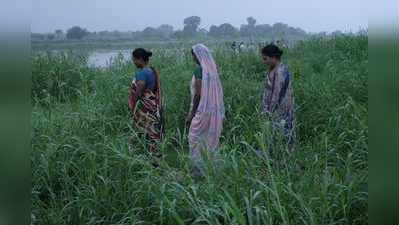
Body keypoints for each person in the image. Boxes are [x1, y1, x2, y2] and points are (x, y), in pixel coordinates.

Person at [186, 44, 225, 175]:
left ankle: (198, 169)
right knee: (209, 138)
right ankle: (210, 167)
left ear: (198, 55)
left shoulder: (199, 70)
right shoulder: (213, 69)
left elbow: (198, 94)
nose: (192, 58)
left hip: (202, 110)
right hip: (213, 110)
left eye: (193, 55)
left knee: (194, 136)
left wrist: (192, 114)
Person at [128, 48, 164, 160]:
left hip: (144, 108)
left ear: (140, 59)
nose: (133, 62)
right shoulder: (152, 71)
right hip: (153, 106)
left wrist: (133, 102)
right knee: (152, 131)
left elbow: (139, 91)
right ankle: (154, 156)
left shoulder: (142, 74)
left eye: (134, 59)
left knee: (141, 130)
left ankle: (137, 156)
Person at [261, 44, 295, 149]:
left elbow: (276, 94)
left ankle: (281, 155)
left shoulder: (279, 71)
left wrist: (269, 111)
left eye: (265, 58)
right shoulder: (275, 68)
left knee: (280, 132)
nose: (264, 61)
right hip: (278, 109)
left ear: (274, 57)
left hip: (279, 109)